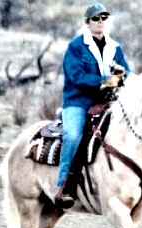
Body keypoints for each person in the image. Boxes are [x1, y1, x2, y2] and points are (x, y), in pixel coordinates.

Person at [54, 3, 130, 208]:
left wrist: (121, 77)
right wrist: (107, 81)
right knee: (73, 135)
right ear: (87, 23)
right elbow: (76, 76)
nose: (100, 22)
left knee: (131, 130)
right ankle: (64, 184)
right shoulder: (76, 46)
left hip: (107, 101)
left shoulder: (115, 47)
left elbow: (127, 72)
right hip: (78, 101)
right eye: (95, 18)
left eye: (104, 17)